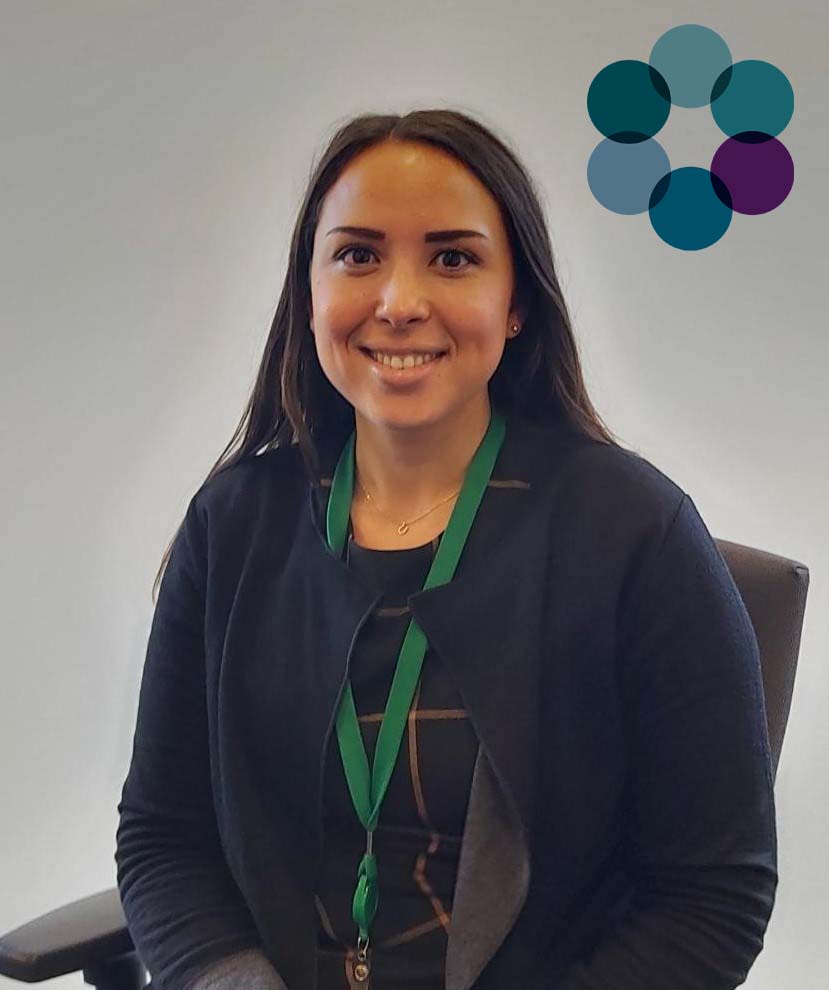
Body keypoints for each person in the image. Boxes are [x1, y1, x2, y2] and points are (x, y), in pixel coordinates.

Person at [115, 109, 778, 990]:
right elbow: (163, 836)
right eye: (357, 255)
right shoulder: (233, 524)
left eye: (453, 259)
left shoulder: (634, 531)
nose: (398, 302)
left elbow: (711, 898)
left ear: (516, 304)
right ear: (308, 294)